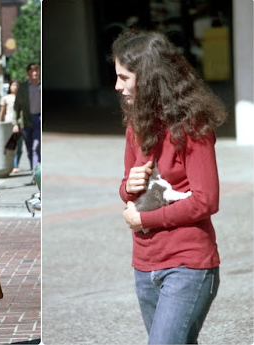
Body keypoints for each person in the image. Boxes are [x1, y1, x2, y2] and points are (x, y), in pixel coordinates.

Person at [114, 30, 226, 344]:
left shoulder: (193, 127)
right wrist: (129, 186)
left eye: (124, 77)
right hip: (144, 264)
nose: (117, 86)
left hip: (187, 265)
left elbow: (207, 200)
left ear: (149, 78)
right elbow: (128, 189)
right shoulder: (136, 126)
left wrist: (144, 220)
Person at [13, 62, 41, 170]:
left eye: (36, 70)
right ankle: (34, 170)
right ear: (28, 73)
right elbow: (17, 106)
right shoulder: (23, 87)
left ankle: (36, 174)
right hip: (26, 121)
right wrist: (15, 123)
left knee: (36, 147)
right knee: (30, 148)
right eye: (32, 70)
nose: (35, 73)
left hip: (38, 119)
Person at [0, 80, 23, 173]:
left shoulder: (22, 97)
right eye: (13, 85)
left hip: (21, 124)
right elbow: (2, 112)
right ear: (10, 87)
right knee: (9, 146)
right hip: (9, 124)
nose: (15, 87)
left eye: (17, 85)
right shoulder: (5, 98)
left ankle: (15, 165)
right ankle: (9, 164)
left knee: (19, 146)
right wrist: (0, 123)